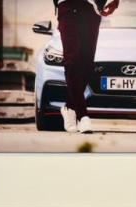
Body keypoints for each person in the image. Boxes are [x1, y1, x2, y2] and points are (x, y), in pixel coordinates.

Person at [53, 0, 119, 134]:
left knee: (87, 63)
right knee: (72, 60)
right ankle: (83, 115)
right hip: (68, 6)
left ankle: (69, 107)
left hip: (92, 8)